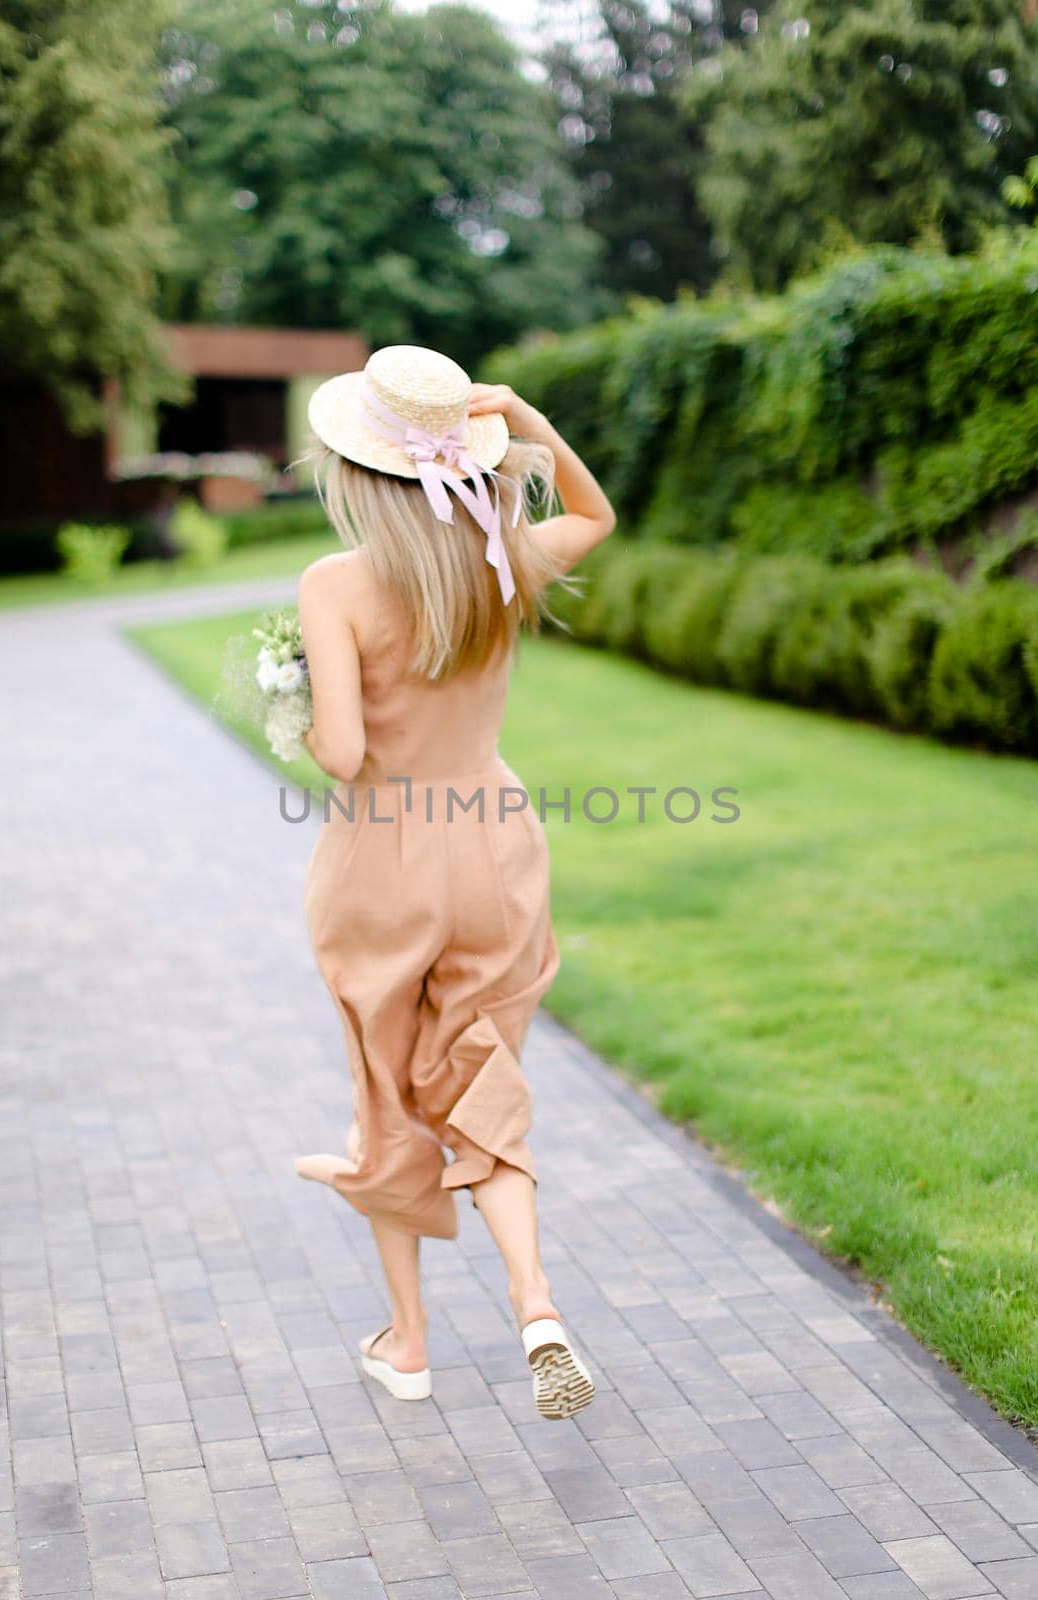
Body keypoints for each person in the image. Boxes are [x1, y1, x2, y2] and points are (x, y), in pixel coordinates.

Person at [293, 344, 616, 1420]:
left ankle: (411, 1344)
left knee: (388, 1095)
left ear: (355, 468)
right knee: (483, 1077)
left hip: (384, 857)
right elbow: (597, 515)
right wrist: (529, 416)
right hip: (494, 842)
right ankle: (534, 1303)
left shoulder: (333, 585)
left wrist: (295, 706)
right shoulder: (499, 559)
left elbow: (342, 755)